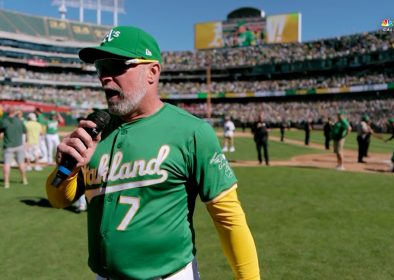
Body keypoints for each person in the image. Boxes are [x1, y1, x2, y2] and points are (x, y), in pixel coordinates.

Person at [45, 26, 259, 280]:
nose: (105, 77)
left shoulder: (192, 131)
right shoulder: (94, 130)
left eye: (116, 65)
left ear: (152, 72)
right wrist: (67, 169)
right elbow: (59, 199)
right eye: (101, 68)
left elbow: (229, 220)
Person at [0, 107, 28, 188]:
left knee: (7, 164)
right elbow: (25, 131)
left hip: (8, 146)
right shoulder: (19, 121)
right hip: (19, 145)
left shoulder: (4, 121)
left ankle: (6, 183)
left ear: (7, 112)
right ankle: (24, 179)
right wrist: (26, 141)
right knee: (21, 163)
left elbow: (1, 134)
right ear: (14, 112)